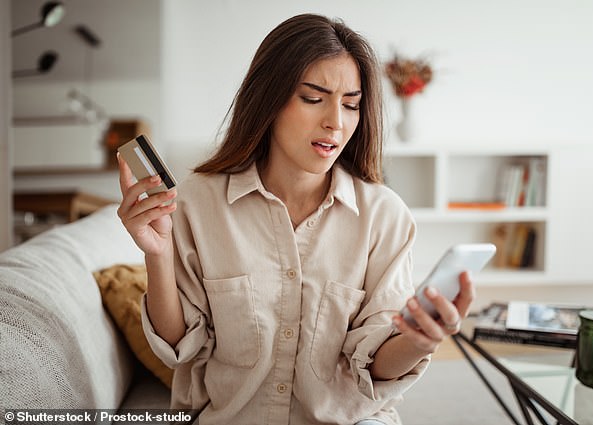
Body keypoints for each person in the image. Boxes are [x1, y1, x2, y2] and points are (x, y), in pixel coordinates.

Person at [117, 13, 474, 425]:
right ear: (269, 99)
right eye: (313, 98)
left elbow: (374, 369)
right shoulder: (198, 203)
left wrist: (419, 340)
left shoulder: (384, 216)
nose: (335, 123)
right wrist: (157, 256)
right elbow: (181, 346)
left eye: (351, 104)